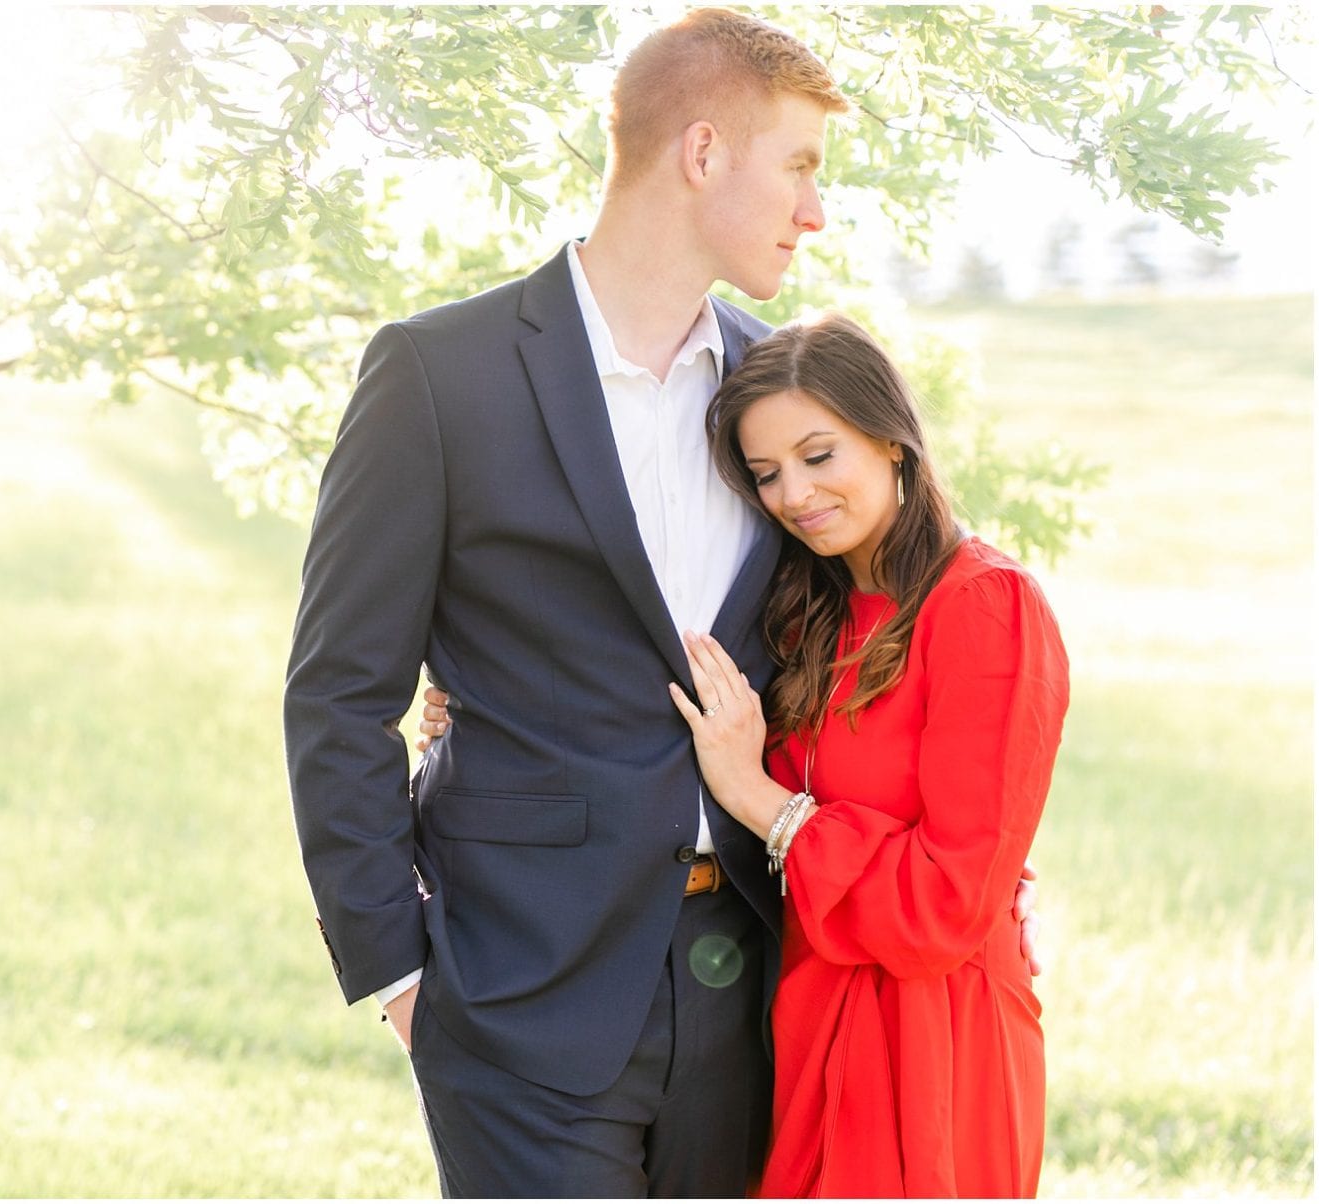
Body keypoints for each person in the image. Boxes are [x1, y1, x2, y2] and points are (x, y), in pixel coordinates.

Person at [285, 9, 1035, 1197]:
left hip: (754, 986)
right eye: (797, 166)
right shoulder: (439, 374)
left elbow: (854, 637)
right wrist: (399, 972)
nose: (815, 209)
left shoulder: (771, 393)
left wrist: (953, 860)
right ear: (701, 155)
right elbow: (337, 695)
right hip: (517, 990)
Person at [423, 314, 1068, 1196]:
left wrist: (759, 798)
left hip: (929, 1036)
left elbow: (944, 905)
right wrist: (486, 703)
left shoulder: (985, 607)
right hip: (803, 1012)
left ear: (892, 441)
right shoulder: (812, 609)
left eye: (819, 455)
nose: (794, 495)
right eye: (765, 475)